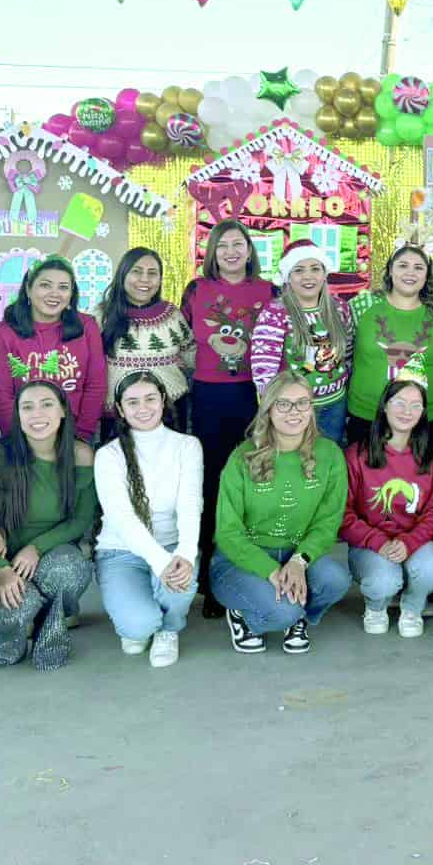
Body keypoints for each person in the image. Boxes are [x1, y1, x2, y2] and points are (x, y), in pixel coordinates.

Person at [211, 374, 351, 655]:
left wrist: (299, 561)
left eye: (302, 403)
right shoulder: (243, 457)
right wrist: (271, 571)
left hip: (295, 552)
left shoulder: (330, 454)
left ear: (311, 408)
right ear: (268, 408)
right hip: (242, 562)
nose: (294, 412)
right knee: (282, 612)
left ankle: (295, 614)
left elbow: (328, 520)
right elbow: (227, 532)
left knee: (336, 580)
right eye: (284, 404)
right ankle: (246, 615)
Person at [0, 378, 97, 670]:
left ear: (63, 410)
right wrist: (0, 569)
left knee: (69, 569)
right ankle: (13, 614)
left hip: (47, 557)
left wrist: (36, 547)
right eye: (28, 407)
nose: (38, 415)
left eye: (47, 404)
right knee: (6, 651)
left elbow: (81, 519)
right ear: (18, 415)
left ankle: (47, 622)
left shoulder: (80, 454)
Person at [180, 219, 277, 616]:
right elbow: (182, 340)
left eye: (239, 244)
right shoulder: (197, 291)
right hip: (209, 395)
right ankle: (210, 576)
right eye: (223, 246)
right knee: (213, 483)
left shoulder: (269, 291)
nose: (232, 252)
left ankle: (248, 569)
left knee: (253, 482)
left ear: (250, 250)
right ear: (212, 253)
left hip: (254, 395)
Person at [93, 372, 202, 668]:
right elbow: (122, 518)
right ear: (119, 408)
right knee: (138, 627)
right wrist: (159, 562)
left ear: (163, 400)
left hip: (173, 545)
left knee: (182, 577)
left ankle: (170, 628)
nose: (143, 408)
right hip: (120, 551)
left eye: (150, 399)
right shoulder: (108, 455)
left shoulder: (187, 446)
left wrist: (184, 554)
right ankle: (145, 617)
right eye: (133, 402)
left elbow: (190, 505)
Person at [340, 368, 433, 638]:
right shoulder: (357, 455)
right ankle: (375, 606)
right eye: (399, 403)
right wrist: (379, 542)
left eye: (415, 405)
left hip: (411, 542)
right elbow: (343, 515)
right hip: (370, 546)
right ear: (385, 407)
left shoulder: (431, 459)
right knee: (384, 579)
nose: (406, 411)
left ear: (423, 413)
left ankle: (412, 606)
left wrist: (409, 542)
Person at [345, 240, 433, 452]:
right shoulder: (362, 306)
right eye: (402, 266)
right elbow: (343, 350)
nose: (411, 273)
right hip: (368, 416)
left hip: (429, 419)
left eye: (419, 267)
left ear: (427, 275)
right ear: (390, 270)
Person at [0, 255, 107, 440]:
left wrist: (81, 436)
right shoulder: (3, 333)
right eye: (45, 285)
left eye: (63, 287)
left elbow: (95, 386)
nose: (54, 293)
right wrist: (20, 441)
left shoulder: (87, 326)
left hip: (74, 435)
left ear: (72, 294)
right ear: (28, 289)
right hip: (22, 437)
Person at [252, 242, 353, 444]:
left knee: (328, 457)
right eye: (298, 270)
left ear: (324, 274)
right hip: (293, 409)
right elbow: (263, 369)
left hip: (334, 404)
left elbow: (348, 353)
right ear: (288, 277)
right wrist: (273, 408)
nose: (308, 276)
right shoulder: (276, 312)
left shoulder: (340, 308)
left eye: (315, 269)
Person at [98, 248, 195, 416]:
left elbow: (192, 356)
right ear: (122, 275)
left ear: (160, 279)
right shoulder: (102, 315)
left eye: (152, 273)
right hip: (119, 413)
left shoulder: (172, 314)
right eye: (136, 271)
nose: (145, 279)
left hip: (169, 410)